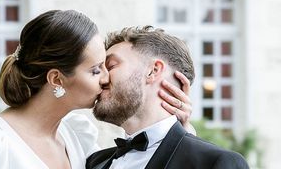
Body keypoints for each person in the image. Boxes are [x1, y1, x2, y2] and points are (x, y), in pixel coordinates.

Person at [0, 11, 194, 169]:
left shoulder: (77, 137)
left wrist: (181, 136)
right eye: (96, 70)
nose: (106, 79)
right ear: (56, 79)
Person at [88, 26, 249, 169]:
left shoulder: (216, 162)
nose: (102, 78)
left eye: (111, 66)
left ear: (153, 71)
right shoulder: (95, 162)